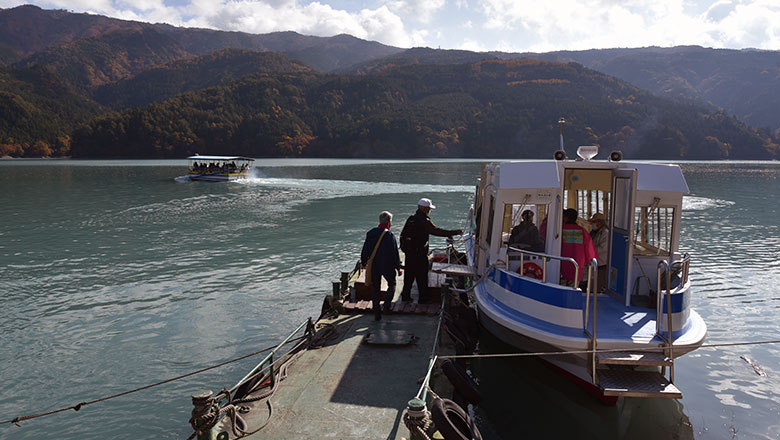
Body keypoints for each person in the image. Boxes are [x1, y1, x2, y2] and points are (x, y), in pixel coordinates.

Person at [399, 198, 462, 304]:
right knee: (422, 277)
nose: (429, 210)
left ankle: (405, 297)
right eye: (428, 208)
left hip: (409, 253)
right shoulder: (424, 221)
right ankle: (423, 299)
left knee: (409, 276)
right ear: (424, 209)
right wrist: (454, 232)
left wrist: (406, 250)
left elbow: (403, 234)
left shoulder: (411, 218)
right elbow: (436, 231)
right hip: (420, 254)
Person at [361, 211, 403, 321]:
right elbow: (394, 253)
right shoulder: (389, 235)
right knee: (392, 284)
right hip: (387, 265)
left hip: (374, 265)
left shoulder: (370, 233)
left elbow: (365, 250)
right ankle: (386, 306)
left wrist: (364, 262)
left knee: (376, 289)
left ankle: (376, 312)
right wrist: (398, 267)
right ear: (389, 222)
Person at [560, 208, 598, 287]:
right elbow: (589, 249)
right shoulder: (582, 231)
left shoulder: (560, 230)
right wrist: (590, 260)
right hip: (577, 264)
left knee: (561, 285)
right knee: (574, 286)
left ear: (566, 218)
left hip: (562, 263)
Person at [589, 212, 609, 292]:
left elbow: (603, 248)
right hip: (594, 261)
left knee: (599, 282)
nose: (592, 224)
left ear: (600, 222)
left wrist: (589, 251)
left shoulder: (605, 233)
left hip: (602, 262)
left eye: (594, 222)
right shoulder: (593, 232)